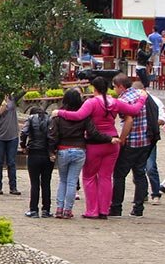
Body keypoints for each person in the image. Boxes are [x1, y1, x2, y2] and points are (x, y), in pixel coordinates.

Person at [56, 76, 146, 219]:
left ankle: (92, 210)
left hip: (94, 143)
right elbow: (134, 110)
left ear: (94, 88)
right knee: (106, 177)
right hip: (112, 142)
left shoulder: (91, 103)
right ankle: (104, 210)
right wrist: (142, 97)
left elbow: (78, 116)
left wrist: (60, 112)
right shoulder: (115, 102)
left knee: (89, 177)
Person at [48, 88, 115, 219]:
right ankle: (68, 210)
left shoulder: (58, 116)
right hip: (79, 149)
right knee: (72, 181)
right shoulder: (84, 116)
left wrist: (51, 150)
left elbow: (53, 135)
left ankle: (59, 209)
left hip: (63, 149)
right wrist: (109, 138)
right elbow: (93, 133)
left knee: (63, 181)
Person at [109, 74, 153, 217]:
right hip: (145, 140)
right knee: (140, 173)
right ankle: (138, 207)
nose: (114, 89)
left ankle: (116, 206)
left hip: (132, 141)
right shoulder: (140, 94)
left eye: (114, 87)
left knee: (119, 174)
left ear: (120, 86)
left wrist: (122, 138)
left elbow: (129, 121)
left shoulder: (124, 100)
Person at [20, 107, 52, 217]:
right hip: (47, 154)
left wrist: (23, 146)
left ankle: (33, 209)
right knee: (46, 183)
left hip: (33, 153)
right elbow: (53, 136)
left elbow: (23, 133)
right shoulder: (50, 120)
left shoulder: (30, 119)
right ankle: (46, 210)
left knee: (34, 183)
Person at [0, 94, 20, 196]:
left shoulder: (13, 99)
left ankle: (13, 187)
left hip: (12, 136)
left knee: (11, 162)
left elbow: (22, 92)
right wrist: (4, 101)